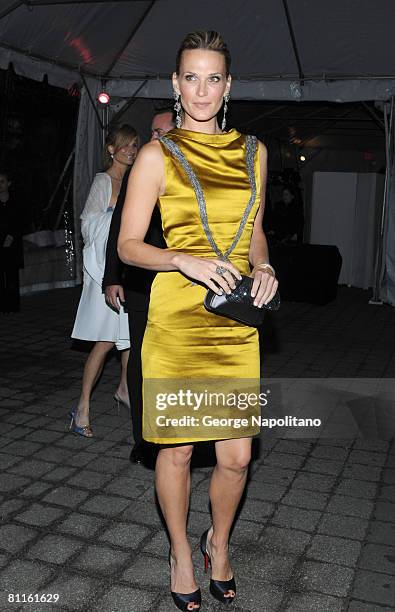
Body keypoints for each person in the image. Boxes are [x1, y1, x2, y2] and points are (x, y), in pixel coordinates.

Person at [118, 31, 278, 611]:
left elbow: (255, 231)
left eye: (213, 78)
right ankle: (181, 553)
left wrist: (263, 266)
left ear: (228, 85)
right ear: (175, 84)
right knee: (179, 450)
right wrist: (182, 257)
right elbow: (130, 246)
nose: (202, 89)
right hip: (178, 318)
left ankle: (220, 541)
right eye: (191, 77)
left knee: (236, 455)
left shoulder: (254, 152)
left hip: (234, 317)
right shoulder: (159, 154)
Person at [103, 109, 174, 463]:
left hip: (183, 283)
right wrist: (112, 277)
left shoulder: (192, 170)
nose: (152, 139)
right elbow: (119, 227)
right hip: (142, 282)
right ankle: (144, 440)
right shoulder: (142, 170)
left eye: (161, 132)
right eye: (152, 131)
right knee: (142, 359)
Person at [70, 124, 138, 437]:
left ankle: (124, 387)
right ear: (111, 149)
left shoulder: (137, 181)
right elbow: (87, 224)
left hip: (126, 269)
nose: (130, 150)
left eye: (134, 145)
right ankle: (82, 406)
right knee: (105, 340)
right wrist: (113, 214)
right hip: (103, 272)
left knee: (127, 334)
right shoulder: (103, 180)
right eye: (124, 145)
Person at [0, 170, 23, 314]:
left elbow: (19, 221)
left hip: (12, 245)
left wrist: (11, 236)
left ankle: (13, 306)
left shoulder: (15, 201)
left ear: (8, 184)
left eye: (2, 182)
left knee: (12, 276)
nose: (0, 185)